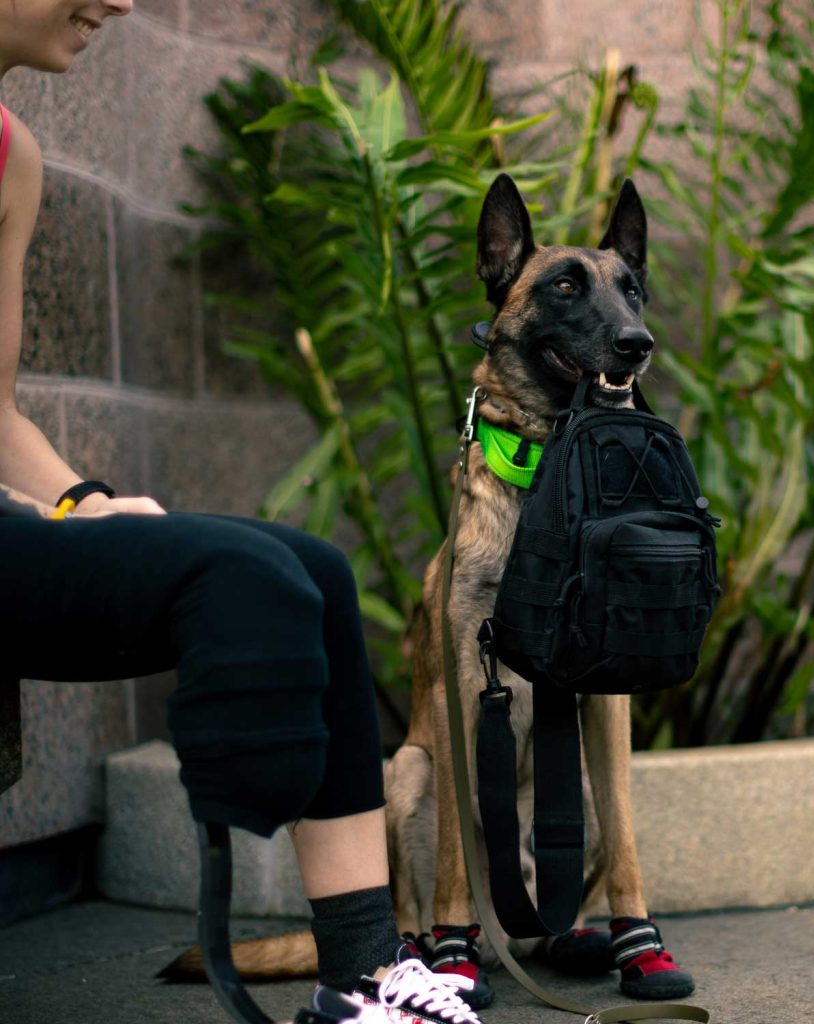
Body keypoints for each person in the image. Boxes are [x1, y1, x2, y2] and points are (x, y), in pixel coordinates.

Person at [0, 5, 479, 1023]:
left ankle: (360, 975)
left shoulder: (13, 157)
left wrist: (82, 502)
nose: (120, 2)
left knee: (308, 568)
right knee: (240, 575)